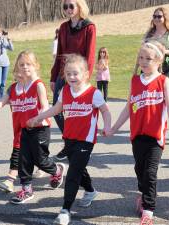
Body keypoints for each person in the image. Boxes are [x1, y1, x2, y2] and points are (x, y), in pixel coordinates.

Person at [28, 54, 111, 225]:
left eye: (75, 73)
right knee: (77, 168)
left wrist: (108, 126)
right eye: (68, 74)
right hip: (70, 139)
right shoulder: (64, 91)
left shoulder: (93, 93)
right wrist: (38, 118)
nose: (71, 77)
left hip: (86, 140)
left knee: (72, 173)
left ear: (86, 74)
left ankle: (65, 210)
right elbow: (56, 109)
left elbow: (105, 110)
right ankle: (90, 190)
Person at [107, 41, 169, 225]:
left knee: (150, 172)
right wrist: (114, 128)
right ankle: (143, 193)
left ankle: (148, 210)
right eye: (141, 58)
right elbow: (128, 108)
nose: (144, 61)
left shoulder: (164, 81)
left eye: (148, 58)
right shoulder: (135, 80)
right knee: (140, 169)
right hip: (137, 135)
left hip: (155, 136)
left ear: (158, 61)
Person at [9, 50, 65, 204]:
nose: (25, 67)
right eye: (22, 65)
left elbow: (46, 107)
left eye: (28, 64)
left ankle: (57, 170)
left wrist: (37, 119)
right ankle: (26, 190)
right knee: (24, 159)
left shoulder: (38, 84)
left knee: (40, 160)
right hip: (27, 129)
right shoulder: (21, 86)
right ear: (17, 68)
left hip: (41, 128)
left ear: (36, 66)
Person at [51, 0, 96, 161]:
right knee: (56, 109)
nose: (68, 9)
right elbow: (59, 54)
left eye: (71, 6)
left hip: (79, 75)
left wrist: (86, 76)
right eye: (65, 6)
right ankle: (69, 142)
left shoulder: (89, 27)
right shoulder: (63, 27)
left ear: (79, 7)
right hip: (63, 74)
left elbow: (90, 55)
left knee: (77, 110)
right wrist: (53, 76)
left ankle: (77, 143)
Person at [0, 71, 24, 193]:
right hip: (19, 130)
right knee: (16, 154)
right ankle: (10, 181)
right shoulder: (12, 89)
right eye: (19, 69)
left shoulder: (35, 87)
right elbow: (2, 101)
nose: (21, 72)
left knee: (38, 157)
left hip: (35, 130)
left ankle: (55, 170)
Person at [134, 7, 169, 78]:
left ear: (165, 18)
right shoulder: (149, 32)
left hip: (164, 69)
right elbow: (141, 51)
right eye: (154, 16)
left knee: (162, 88)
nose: (156, 19)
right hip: (146, 68)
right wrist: (136, 68)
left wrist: (165, 51)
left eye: (159, 16)